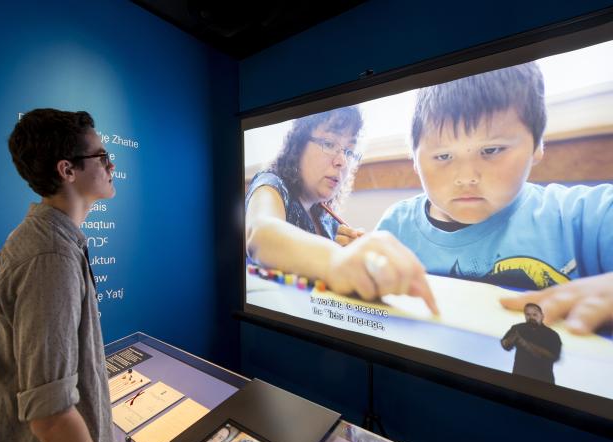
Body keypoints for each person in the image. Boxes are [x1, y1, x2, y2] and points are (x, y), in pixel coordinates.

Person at [0, 109, 150, 442]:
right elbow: (50, 414)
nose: (111, 165)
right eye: (102, 157)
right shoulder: (49, 256)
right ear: (67, 170)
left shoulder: (52, 243)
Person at [376, 62, 613, 333]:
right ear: (415, 160)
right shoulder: (396, 227)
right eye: (443, 156)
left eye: (491, 150)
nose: (466, 177)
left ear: (537, 145)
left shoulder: (584, 215)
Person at [245, 106, 437, 313]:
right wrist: (335, 259)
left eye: (349, 151)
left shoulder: (324, 214)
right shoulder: (271, 184)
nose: (342, 161)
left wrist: (349, 253)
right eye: (329, 144)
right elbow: (260, 232)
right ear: (297, 145)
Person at [501, 303, 562, 383]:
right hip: (519, 377)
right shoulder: (518, 328)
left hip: (543, 380)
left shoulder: (552, 334)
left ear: (542, 316)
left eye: (535, 315)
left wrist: (525, 344)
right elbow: (505, 345)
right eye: (528, 314)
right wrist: (510, 340)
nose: (531, 317)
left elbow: (554, 356)